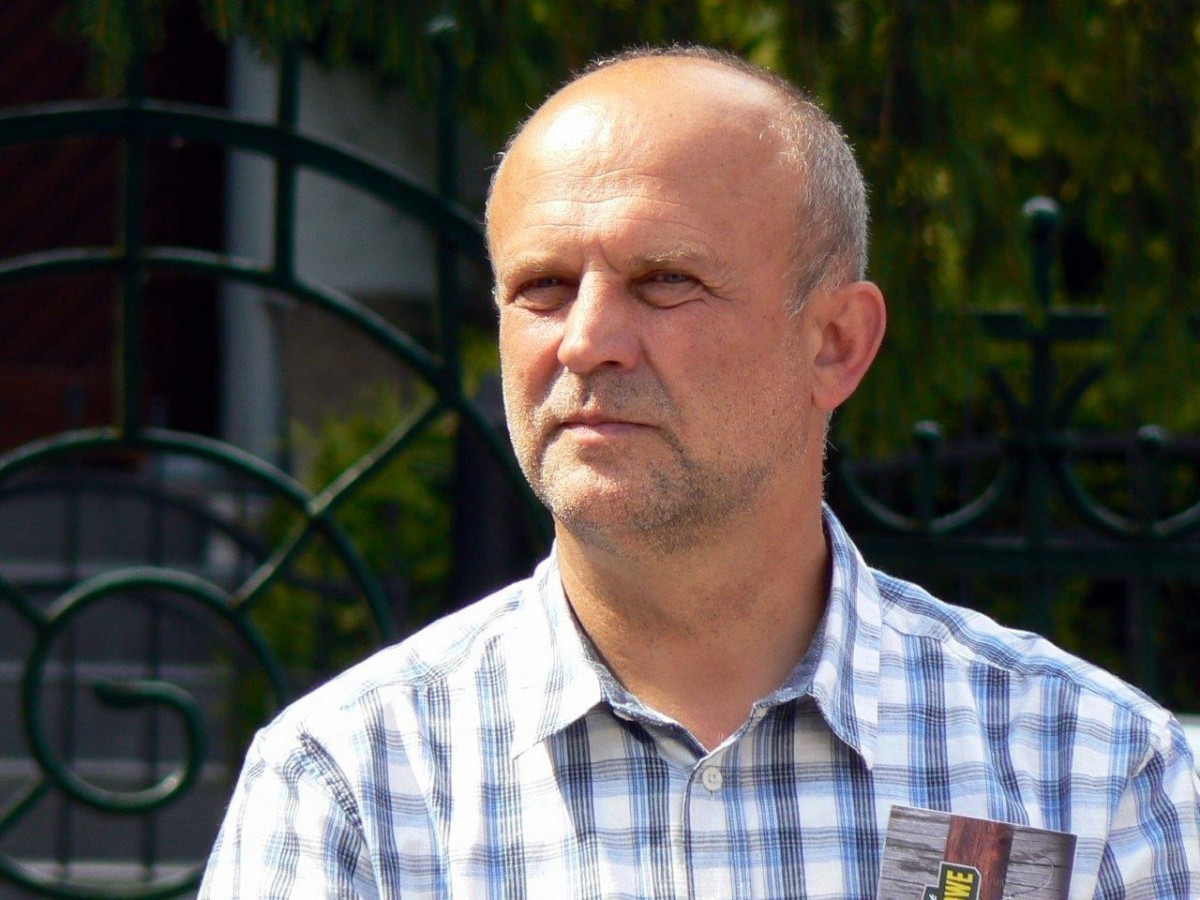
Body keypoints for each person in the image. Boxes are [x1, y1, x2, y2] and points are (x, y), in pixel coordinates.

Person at [200, 48, 1200, 898]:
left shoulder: (1089, 774)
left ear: (836, 343)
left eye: (665, 281)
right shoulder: (354, 788)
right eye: (543, 287)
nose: (586, 341)